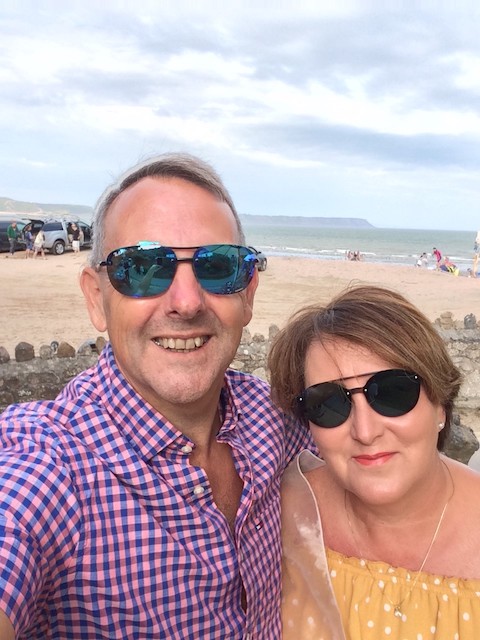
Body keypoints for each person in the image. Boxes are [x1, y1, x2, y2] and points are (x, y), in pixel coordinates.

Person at [0, 153, 311, 639]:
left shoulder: (276, 419)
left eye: (217, 267)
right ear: (95, 297)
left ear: (247, 294)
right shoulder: (50, 464)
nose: (186, 303)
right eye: (142, 267)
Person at [268, 285, 480, 639]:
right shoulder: (282, 516)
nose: (365, 432)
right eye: (328, 403)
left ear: (441, 404)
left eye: (394, 393)